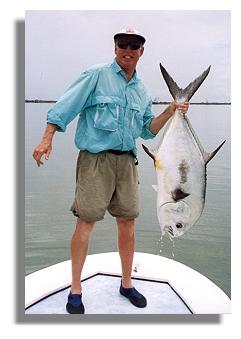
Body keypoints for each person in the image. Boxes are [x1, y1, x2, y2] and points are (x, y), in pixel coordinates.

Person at [32, 27, 189, 314]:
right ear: (115, 47)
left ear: (142, 51)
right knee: (86, 222)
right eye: (122, 44)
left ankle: (127, 283)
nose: (127, 50)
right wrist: (46, 138)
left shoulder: (141, 90)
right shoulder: (96, 75)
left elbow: (147, 131)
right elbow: (65, 107)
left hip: (127, 163)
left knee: (128, 222)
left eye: (134, 45)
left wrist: (171, 111)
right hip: (95, 162)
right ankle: (76, 289)